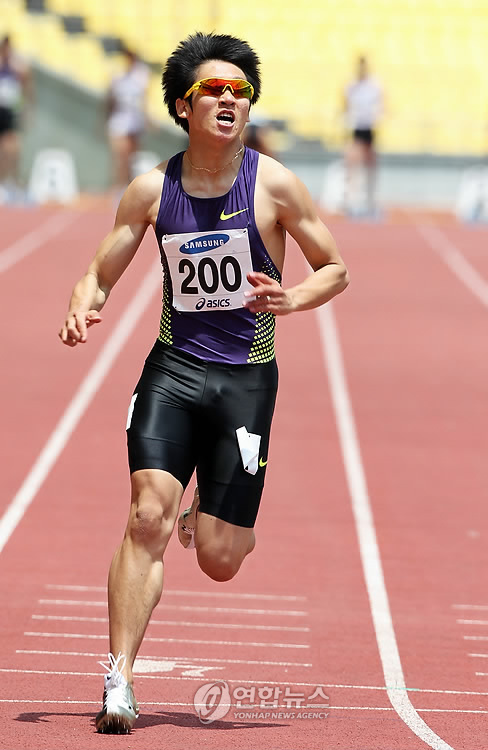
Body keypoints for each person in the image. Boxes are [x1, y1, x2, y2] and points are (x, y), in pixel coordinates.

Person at [59, 31, 349, 734]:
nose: (229, 100)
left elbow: (335, 268)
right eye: (214, 91)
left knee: (220, 560)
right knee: (144, 516)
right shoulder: (153, 189)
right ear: (183, 107)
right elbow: (102, 266)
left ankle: (207, 514)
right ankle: (119, 680)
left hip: (247, 383)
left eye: (240, 92)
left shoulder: (275, 183)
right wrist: (84, 298)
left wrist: (293, 298)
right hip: (174, 371)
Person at [106, 45, 150, 193]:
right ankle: (119, 187)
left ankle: (129, 187)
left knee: (132, 157)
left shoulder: (141, 74)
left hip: (134, 120)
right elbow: (110, 100)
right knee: (120, 156)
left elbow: (144, 99)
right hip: (119, 120)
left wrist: (146, 119)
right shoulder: (118, 75)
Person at [343, 55, 383, 215]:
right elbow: (345, 105)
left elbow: (382, 104)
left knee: (370, 165)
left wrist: (377, 116)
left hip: (369, 128)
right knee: (353, 165)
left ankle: (371, 202)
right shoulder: (351, 86)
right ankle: (352, 201)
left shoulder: (374, 86)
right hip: (356, 128)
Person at [0, 35, 32, 198]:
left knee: (13, 148)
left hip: (10, 110)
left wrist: (26, 109)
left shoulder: (16, 65)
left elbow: (26, 81)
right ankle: (3, 181)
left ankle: (11, 181)